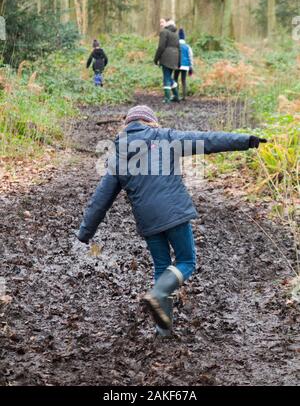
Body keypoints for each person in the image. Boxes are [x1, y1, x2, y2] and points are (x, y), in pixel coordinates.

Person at [77, 105, 267, 337]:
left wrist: (85, 233)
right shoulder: (165, 137)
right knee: (186, 261)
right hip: (174, 213)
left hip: (148, 220)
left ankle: (163, 328)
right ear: (151, 122)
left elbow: (101, 199)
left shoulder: (117, 154)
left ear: (127, 125)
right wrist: (246, 140)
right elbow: (207, 140)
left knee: (162, 267)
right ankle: (158, 296)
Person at [154, 19, 180, 104]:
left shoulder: (164, 32)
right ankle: (176, 96)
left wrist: (156, 58)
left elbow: (161, 46)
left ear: (167, 25)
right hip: (175, 57)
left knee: (166, 77)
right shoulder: (176, 34)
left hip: (166, 57)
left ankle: (167, 98)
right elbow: (179, 48)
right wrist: (179, 61)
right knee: (169, 77)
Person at [174, 28, 194, 101]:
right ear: (184, 38)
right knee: (183, 80)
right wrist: (191, 67)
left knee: (175, 79)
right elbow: (190, 56)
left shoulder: (176, 45)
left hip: (177, 65)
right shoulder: (187, 46)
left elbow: (174, 55)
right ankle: (184, 96)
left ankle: (176, 95)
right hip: (185, 66)